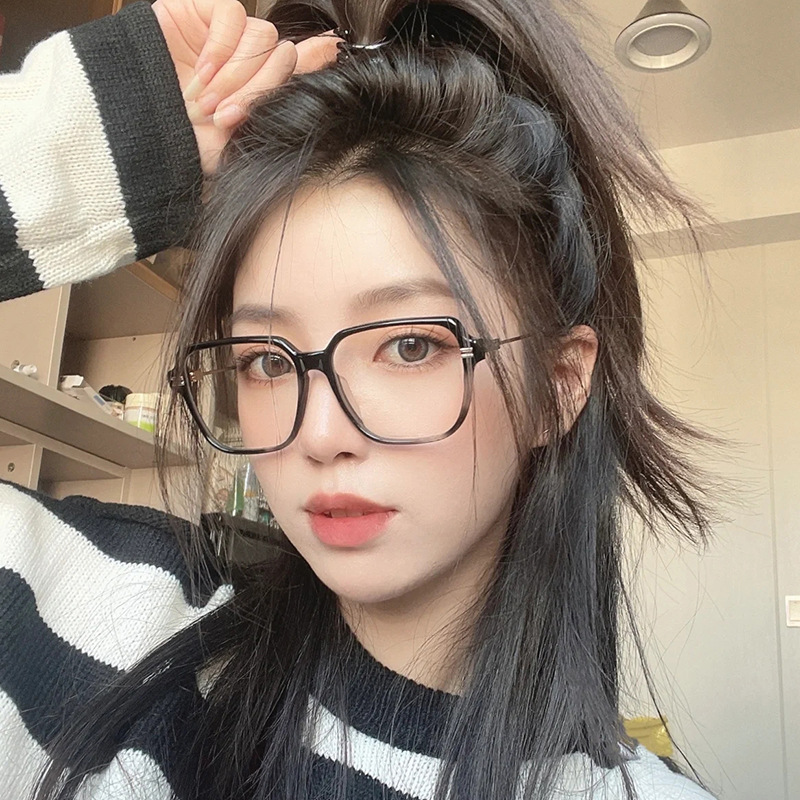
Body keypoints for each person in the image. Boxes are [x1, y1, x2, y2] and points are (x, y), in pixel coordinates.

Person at [0, 0, 719, 798]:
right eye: (266, 359)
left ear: (558, 384)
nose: (318, 432)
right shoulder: (106, 617)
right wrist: (108, 125)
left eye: (410, 346)